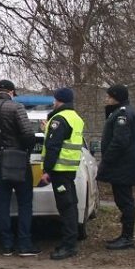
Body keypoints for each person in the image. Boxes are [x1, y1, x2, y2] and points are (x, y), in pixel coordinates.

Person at [0, 79, 38, 256]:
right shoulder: (16, 107)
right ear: (11, 92)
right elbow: (28, 134)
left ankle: (6, 245)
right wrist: (26, 149)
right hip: (17, 159)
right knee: (25, 201)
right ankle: (24, 244)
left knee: (3, 201)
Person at [42, 87, 86, 260]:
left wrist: (47, 170)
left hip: (59, 169)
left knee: (66, 207)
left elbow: (53, 146)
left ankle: (69, 246)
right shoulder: (75, 118)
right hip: (70, 168)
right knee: (71, 204)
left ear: (58, 100)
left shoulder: (59, 119)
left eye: (54, 99)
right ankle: (70, 241)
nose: (53, 102)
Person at [99, 84, 135, 250]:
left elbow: (119, 141)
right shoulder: (127, 111)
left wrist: (106, 161)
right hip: (125, 166)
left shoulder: (122, 114)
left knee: (125, 202)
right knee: (124, 201)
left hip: (122, 167)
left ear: (116, 97)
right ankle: (125, 235)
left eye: (109, 96)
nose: (106, 99)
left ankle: (127, 237)